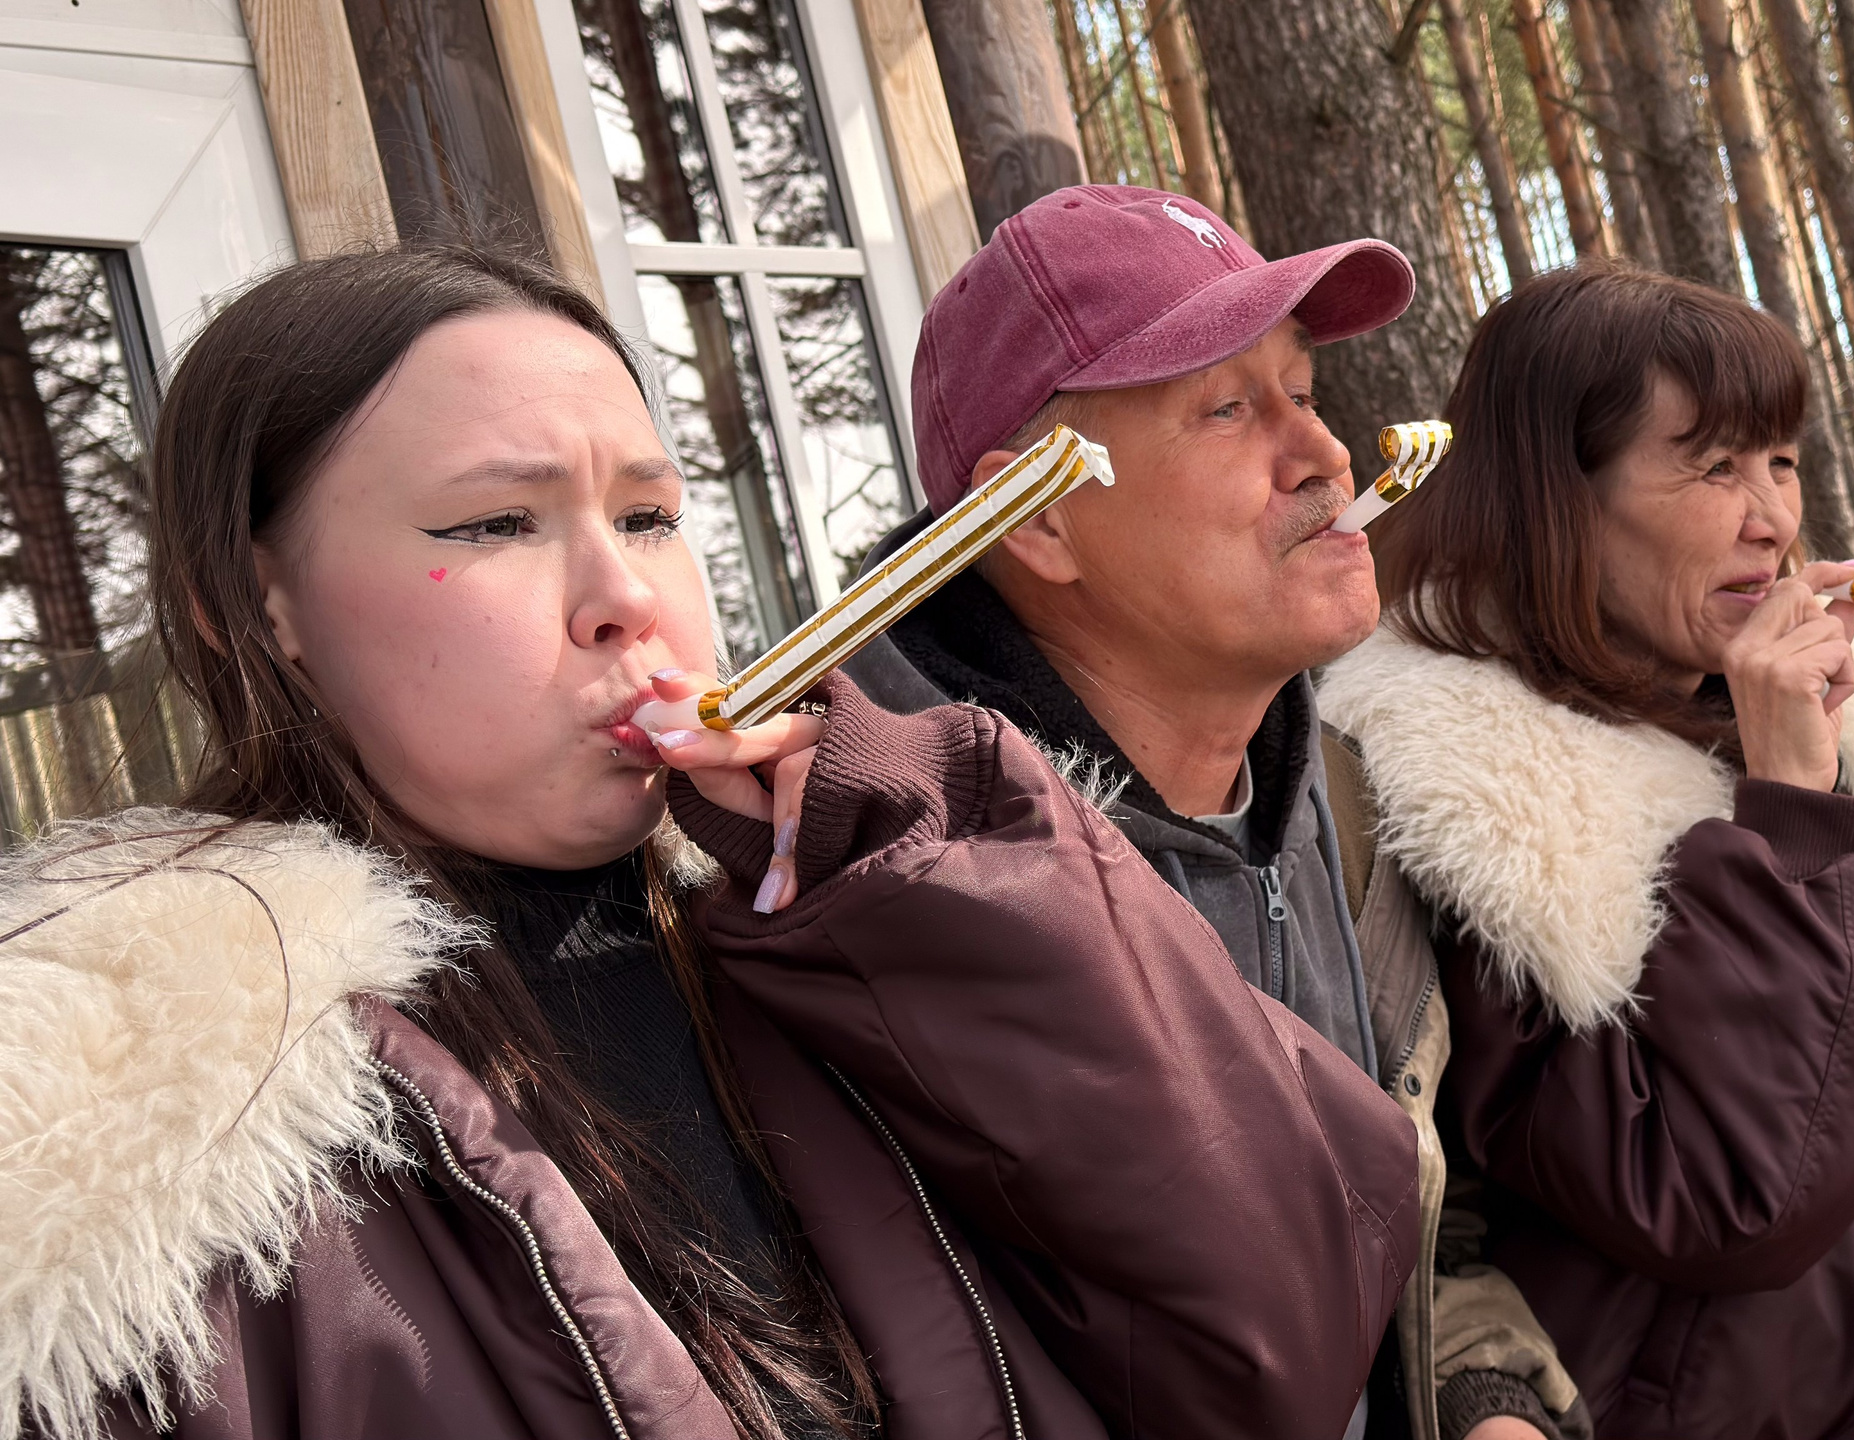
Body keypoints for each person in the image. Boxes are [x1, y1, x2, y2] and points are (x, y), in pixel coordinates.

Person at [0, 244, 1418, 1440]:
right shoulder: (151, 1149)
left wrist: (955, 893)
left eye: (652, 514)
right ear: (252, 609)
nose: (625, 596)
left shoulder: (840, 922)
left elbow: (1286, 1344)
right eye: (497, 521)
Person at [840, 184, 1581, 1440]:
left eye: (1301, 388)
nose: (1325, 457)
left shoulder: (1340, 808)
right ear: (1043, 516)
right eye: (1227, 409)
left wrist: (1486, 1401)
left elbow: (1412, 1225)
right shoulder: (881, 896)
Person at [1318, 263, 1854, 1438]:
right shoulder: (1481, 803)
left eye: (1780, 459)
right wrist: (1789, 818)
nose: (1770, 516)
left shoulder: (1805, 726)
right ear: (1552, 494)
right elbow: (1726, 1198)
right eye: (1711, 465)